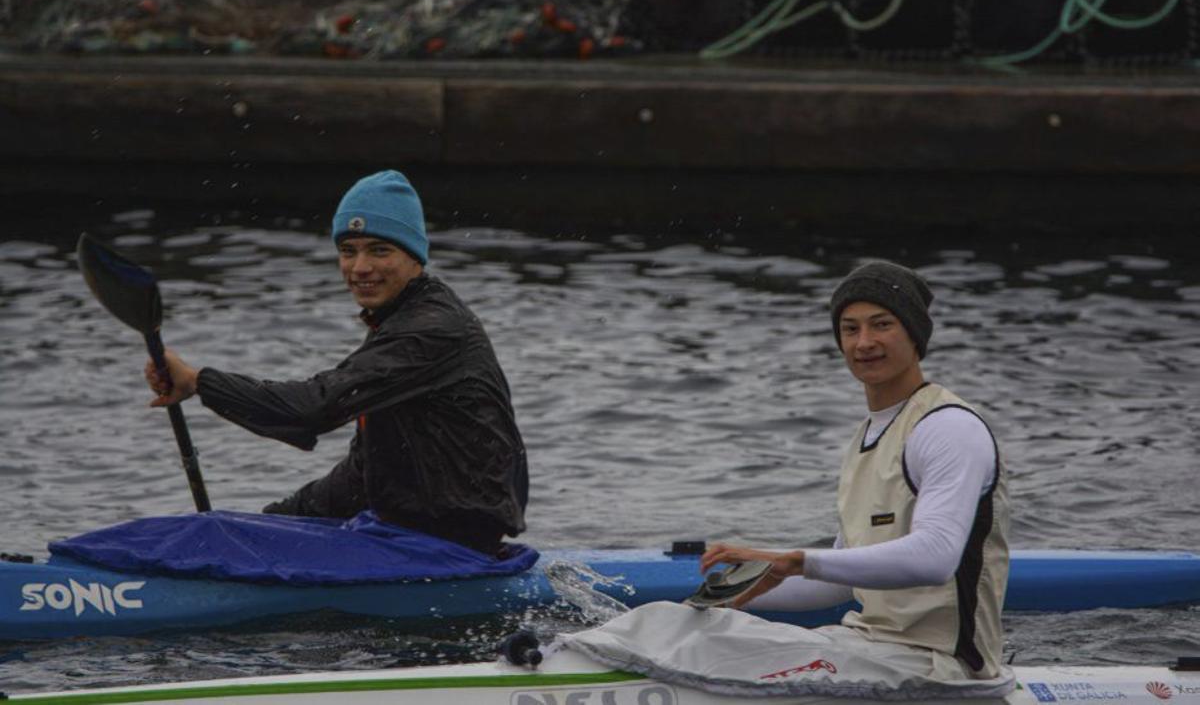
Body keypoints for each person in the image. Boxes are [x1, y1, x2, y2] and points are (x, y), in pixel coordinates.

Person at [560, 260, 1011, 700]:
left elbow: (935, 558)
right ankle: (560, 661)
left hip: (941, 670)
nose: (864, 342)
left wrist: (794, 560)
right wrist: (737, 594)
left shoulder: (948, 428)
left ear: (914, 334)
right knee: (679, 623)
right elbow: (838, 582)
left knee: (695, 643)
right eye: (850, 329)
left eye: (882, 325)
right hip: (874, 648)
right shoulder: (868, 435)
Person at [144, 170, 528, 555]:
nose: (360, 267)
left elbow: (313, 408)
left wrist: (199, 382)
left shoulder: (430, 331)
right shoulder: (399, 319)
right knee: (248, 533)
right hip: (411, 522)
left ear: (415, 257)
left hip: (450, 542)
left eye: (379, 250)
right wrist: (277, 519)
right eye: (348, 251)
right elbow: (368, 471)